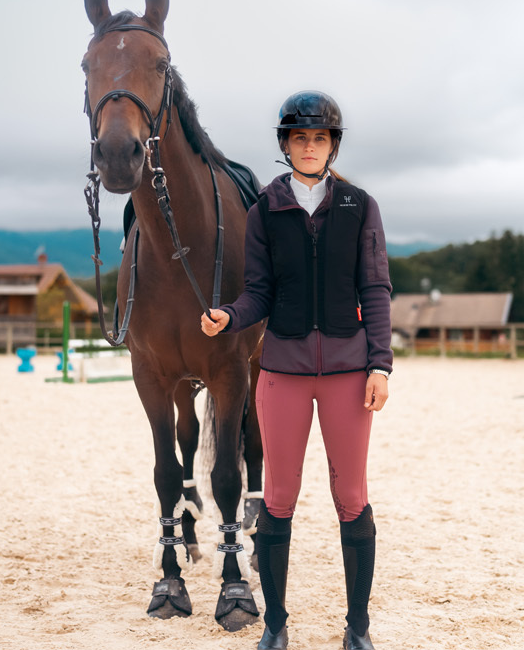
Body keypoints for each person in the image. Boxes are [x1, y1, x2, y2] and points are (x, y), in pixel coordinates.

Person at [200, 90, 391, 650]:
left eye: (320, 137)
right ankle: (276, 625)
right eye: (300, 137)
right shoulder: (264, 211)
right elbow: (258, 291)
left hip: (349, 373)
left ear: (332, 145)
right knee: (279, 497)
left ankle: (358, 629)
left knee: (351, 496)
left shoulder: (360, 206)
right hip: (281, 370)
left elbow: (375, 289)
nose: (310, 146)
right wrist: (228, 317)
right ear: (285, 145)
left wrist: (380, 364)